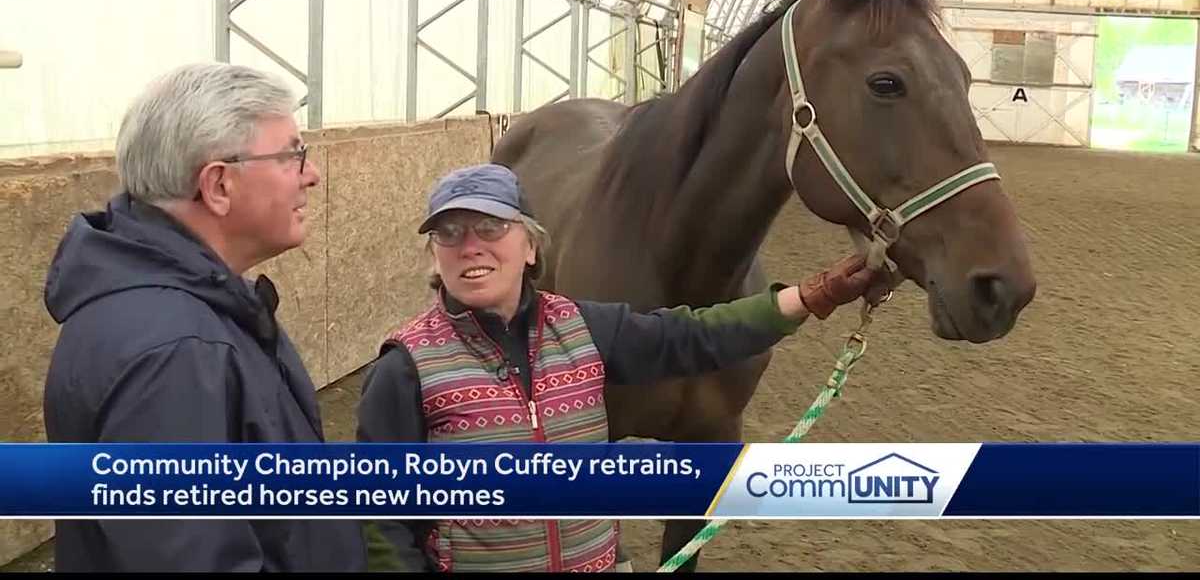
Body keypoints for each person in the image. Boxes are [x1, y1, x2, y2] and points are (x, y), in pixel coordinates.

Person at [356, 163, 886, 573]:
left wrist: (815, 295)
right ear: (433, 257)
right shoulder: (405, 368)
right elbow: (382, 525)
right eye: (449, 233)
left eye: (490, 226)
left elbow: (694, 337)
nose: (470, 245)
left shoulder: (584, 327)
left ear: (531, 245)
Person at [42, 63, 366, 572]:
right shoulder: (176, 351)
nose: (312, 174)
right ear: (218, 185)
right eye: (291, 154)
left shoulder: (195, 308)